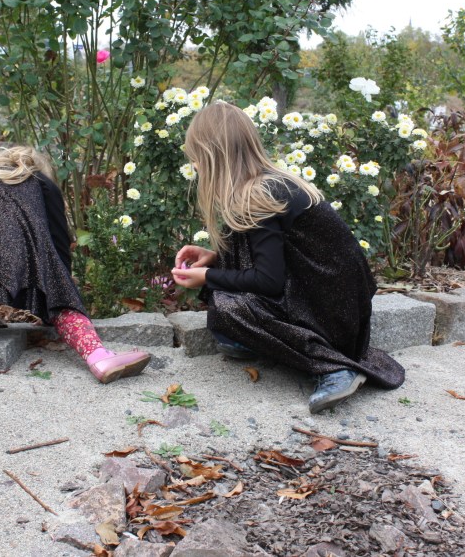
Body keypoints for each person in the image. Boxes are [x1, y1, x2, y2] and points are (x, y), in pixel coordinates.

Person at [170, 101, 404, 413]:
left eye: (197, 159)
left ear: (214, 157)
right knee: (223, 305)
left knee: (227, 308)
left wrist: (207, 277)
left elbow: (268, 281)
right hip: (336, 300)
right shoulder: (268, 182)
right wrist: (213, 258)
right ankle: (269, 342)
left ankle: (333, 368)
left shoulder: (258, 196)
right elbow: (265, 257)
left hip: (333, 314)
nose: (196, 167)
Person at [0, 145, 151, 384]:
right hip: (24, 248)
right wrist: (57, 297)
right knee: (56, 285)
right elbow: (58, 243)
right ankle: (97, 356)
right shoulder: (42, 185)